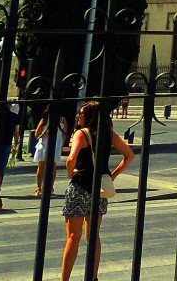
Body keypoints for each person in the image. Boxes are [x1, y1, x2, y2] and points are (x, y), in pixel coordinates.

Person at [61, 100, 134, 281]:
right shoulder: (109, 134)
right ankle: (92, 277)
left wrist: (71, 173)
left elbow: (71, 158)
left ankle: (65, 279)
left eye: (82, 113)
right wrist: (112, 176)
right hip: (100, 189)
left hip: (79, 187)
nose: (78, 115)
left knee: (72, 237)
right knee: (93, 236)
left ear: (90, 116)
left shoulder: (81, 134)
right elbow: (129, 155)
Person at [0, 101, 21, 214]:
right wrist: (16, 145)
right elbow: (16, 132)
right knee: (1, 167)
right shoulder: (13, 116)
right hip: (6, 144)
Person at [33, 108, 67, 196]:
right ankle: (39, 187)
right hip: (44, 143)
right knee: (41, 165)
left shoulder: (62, 120)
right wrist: (47, 133)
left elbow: (64, 133)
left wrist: (61, 145)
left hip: (56, 144)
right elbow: (37, 134)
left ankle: (50, 187)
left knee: (53, 166)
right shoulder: (44, 120)